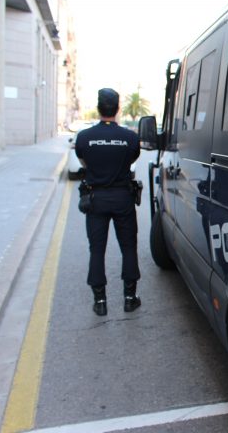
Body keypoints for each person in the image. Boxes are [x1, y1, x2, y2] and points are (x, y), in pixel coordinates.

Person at [75, 88, 141, 316]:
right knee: (129, 247)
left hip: (96, 199)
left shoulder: (84, 137)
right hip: (123, 198)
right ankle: (130, 298)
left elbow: (84, 162)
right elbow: (131, 160)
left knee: (97, 250)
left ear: (98, 107)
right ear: (118, 108)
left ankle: (100, 301)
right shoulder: (130, 138)